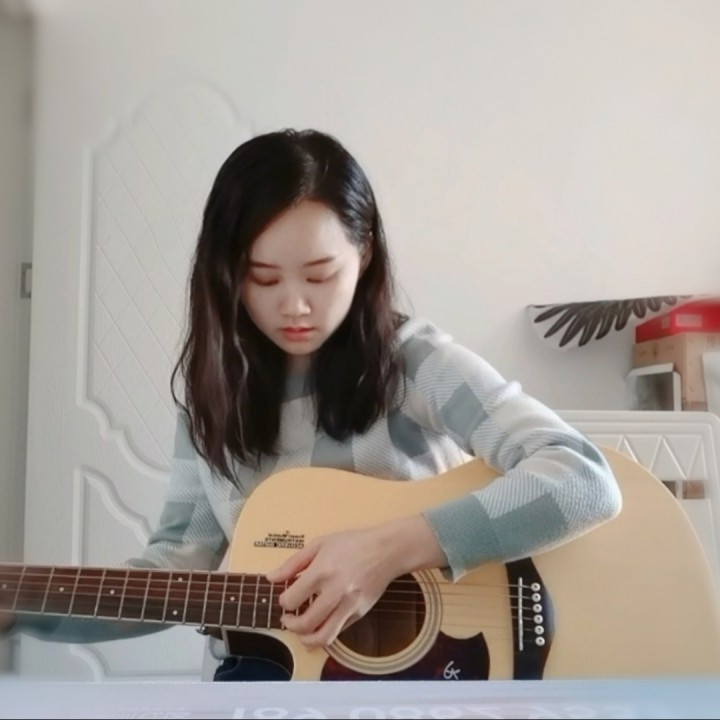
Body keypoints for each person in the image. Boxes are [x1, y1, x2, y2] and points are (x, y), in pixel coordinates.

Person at [0, 129, 621, 681]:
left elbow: (583, 478)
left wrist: (391, 549)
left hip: (440, 679)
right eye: (263, 279)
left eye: (320, 276)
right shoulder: (210, 399)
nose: (294, 306)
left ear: (365, 253)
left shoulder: (414, 363)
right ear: (225, 272)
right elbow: (175, 568)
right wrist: (20, 605)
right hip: (268, 677)